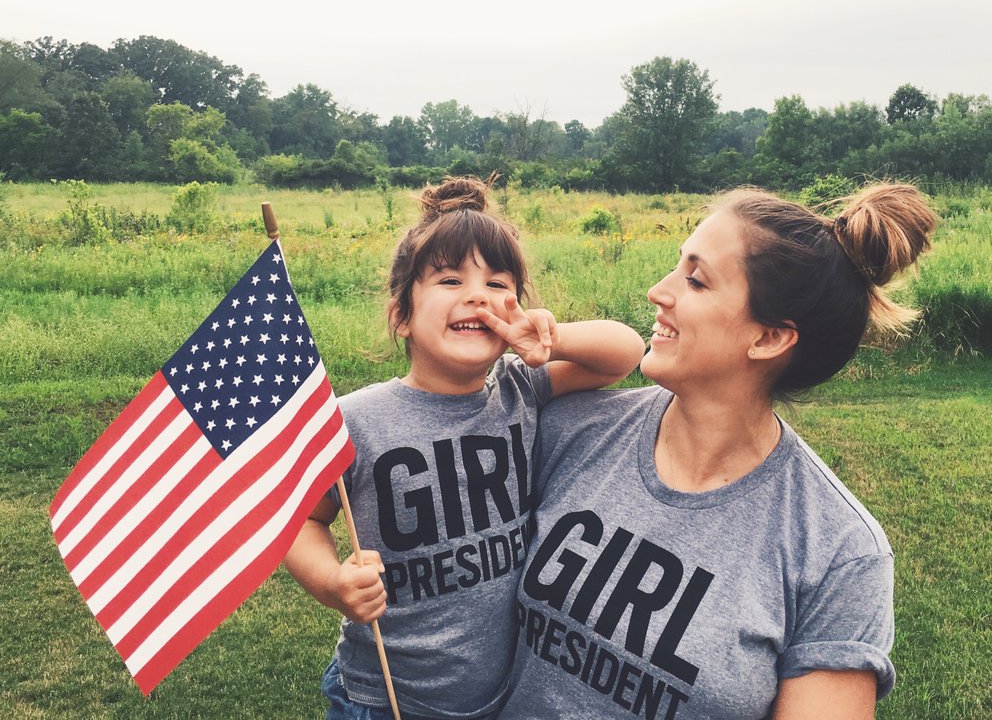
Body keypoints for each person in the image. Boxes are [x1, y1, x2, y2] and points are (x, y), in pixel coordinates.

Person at [501, 183, 936, 720]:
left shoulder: (839, 550)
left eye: (696, 280)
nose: (658, 292)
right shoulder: (570, 430)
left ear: (770, 338)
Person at [284, 176, 645, 720]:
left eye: (499, 283)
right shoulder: (355, 420)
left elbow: (625, 352)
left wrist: (554, 337)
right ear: (401, 316)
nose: (478, 294)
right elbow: (299, 522)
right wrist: (333, 582)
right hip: (383, 695)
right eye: (450, 279)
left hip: (497, 695)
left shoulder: (521, 386)